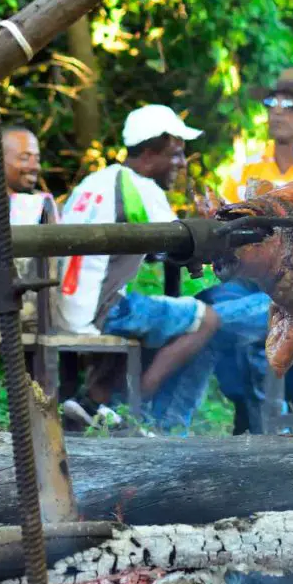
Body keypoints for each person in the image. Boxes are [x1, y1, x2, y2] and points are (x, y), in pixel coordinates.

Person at [54, 104, 221, 431]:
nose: (182, 164)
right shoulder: (138, 188)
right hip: (102, 312)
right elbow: (178, 246)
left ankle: (94, 402)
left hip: (65, 308)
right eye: (174, 155)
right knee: (208, 320)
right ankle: (140, 406)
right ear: (147, 154)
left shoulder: (94, 182)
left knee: (145, 313)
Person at [198, 68, 293, 432]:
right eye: (271, 103)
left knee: (287, 304)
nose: (278, 111)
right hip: (251, 278)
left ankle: (287, 408)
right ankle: (249, 407)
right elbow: (222, 221)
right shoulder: (246, 169)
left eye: (291, 105)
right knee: (209, 305)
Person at [0, 126, 59, 330]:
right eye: (25, 158)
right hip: (1, 315)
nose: (34, 166)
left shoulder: (39, 205)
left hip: (40, 317)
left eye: (36, 158)